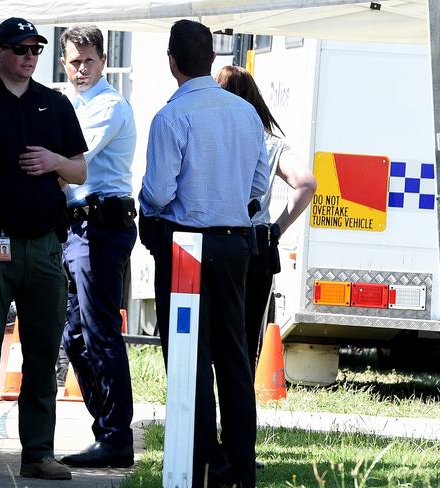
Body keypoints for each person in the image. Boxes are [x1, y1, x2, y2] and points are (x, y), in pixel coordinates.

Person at [0, 17, 87, 481]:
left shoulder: (55, 103)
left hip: (45, 246)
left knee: (44, 352)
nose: (30, 57)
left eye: (36, 49)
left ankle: (38, 453)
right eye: (22, 49)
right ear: (0, 51)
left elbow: (80, 172)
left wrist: (55, 162)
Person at [138, 20, 269, 488]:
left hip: (187, 244)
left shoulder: (172, 116)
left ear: (172, 62)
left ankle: (196, 461)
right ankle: (239, 465)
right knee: (233, 355)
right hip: (235, 242)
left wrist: (155, 207)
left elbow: (157, 192)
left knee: (189, 354)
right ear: (212, 59)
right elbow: (258, 186)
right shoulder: (245, 113)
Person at [57, 25, 137, 468]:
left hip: (101, 225)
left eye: (89, 60)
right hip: (79, 228)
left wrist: (44, 159)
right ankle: (107, 430)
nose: (81, 68)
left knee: (99, 331)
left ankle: (115, 437)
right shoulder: (73, 103)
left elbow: (74, 160)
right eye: (74, 61)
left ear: (103, 60)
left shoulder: (107, 104)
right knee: (76, 337)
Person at [215, 65, 317, 378]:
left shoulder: (215, 137)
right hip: (257, 246)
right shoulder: (271, 143)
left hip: (217, 241)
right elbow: (306, 184)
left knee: (212, 330)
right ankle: (240, 413)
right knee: (246, 337)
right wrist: (276, 229)